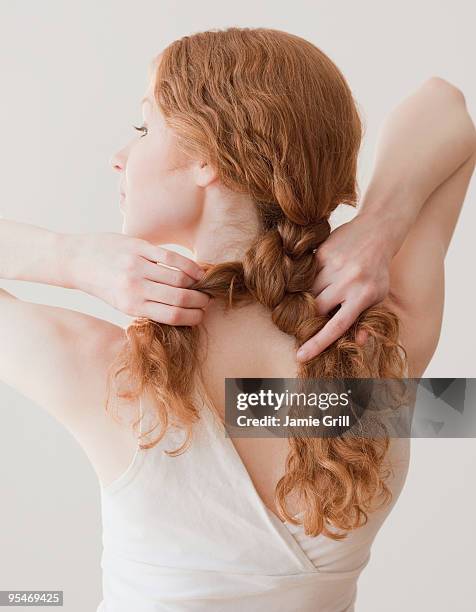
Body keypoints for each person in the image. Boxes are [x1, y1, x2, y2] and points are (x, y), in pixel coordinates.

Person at [0, 27, 475, 612]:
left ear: (207, 159)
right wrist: (381, 225)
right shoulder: (379, 355)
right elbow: (446, 106)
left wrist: (66, 258)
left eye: (145, 128)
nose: (119, 156)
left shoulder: (112, 373)